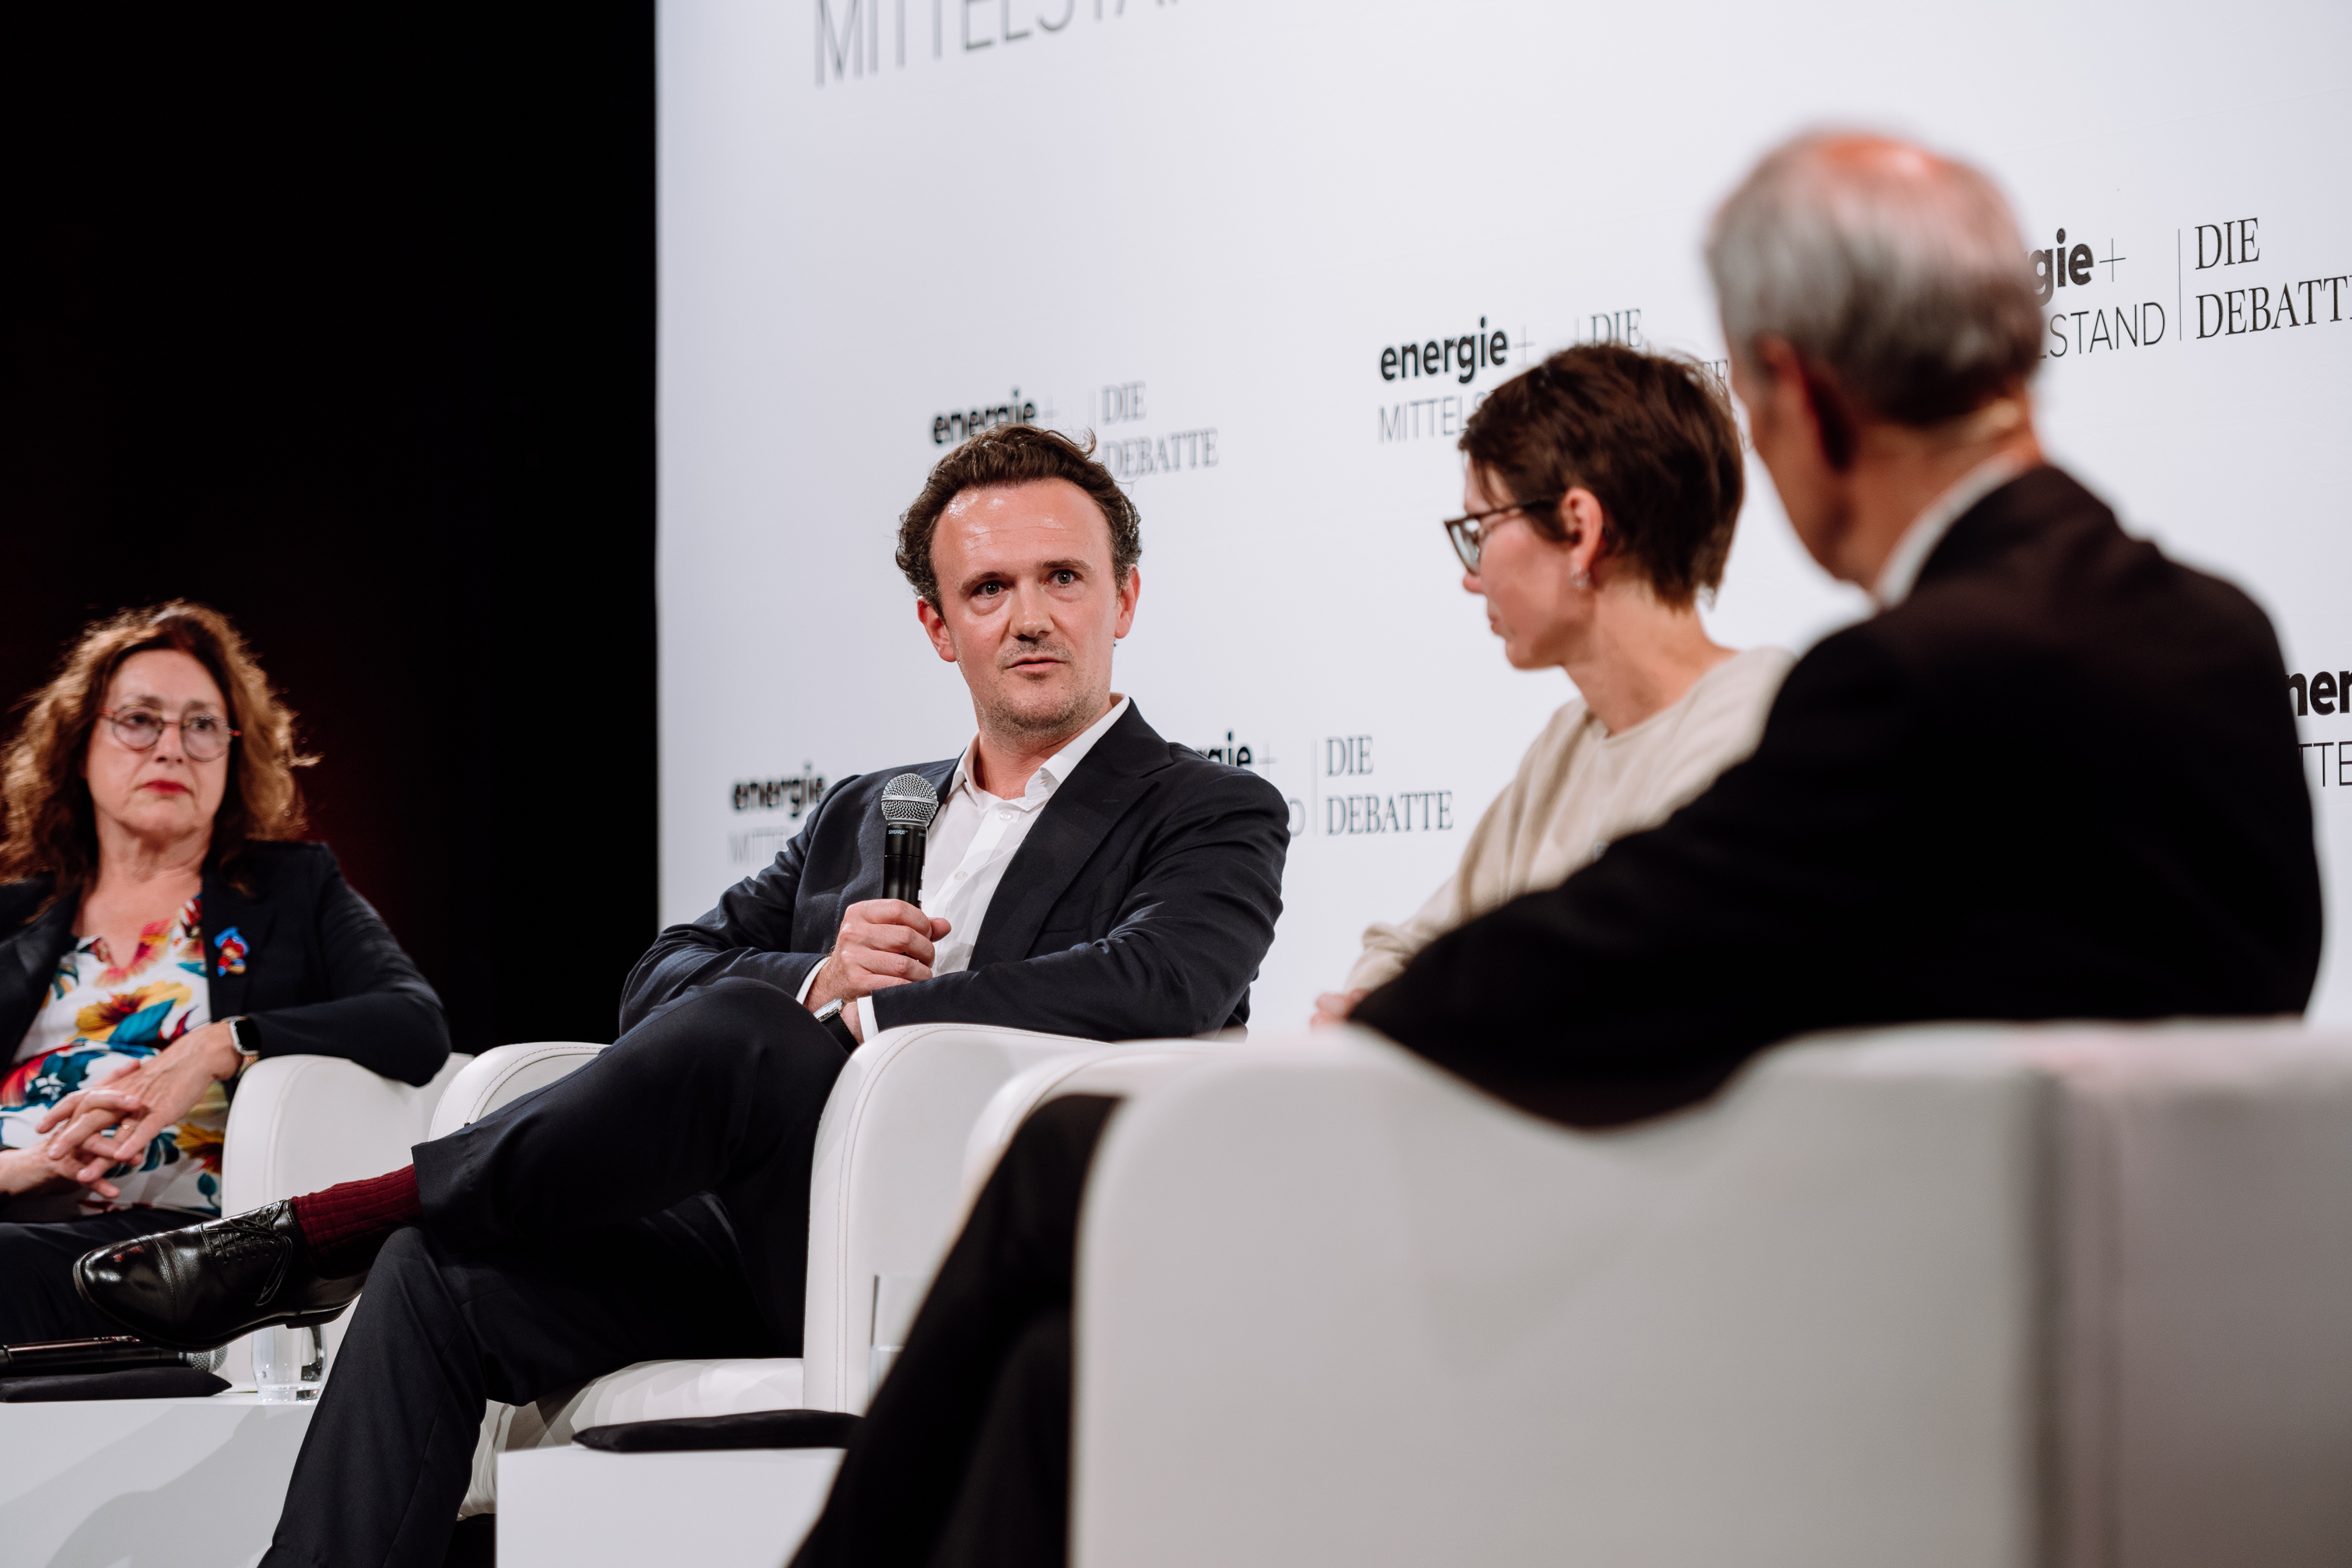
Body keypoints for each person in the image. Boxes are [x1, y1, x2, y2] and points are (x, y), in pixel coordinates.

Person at [784, 131, 2322, 1568]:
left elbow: (1616, 958)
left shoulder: (1913, 679)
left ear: (1801, 393)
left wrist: (1380, 1028)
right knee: (1061, 1370)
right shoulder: (2217, 635)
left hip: (1749, 1288)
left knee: (1069, 1163)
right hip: (2095, 1309)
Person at [75, 422, 1291, 1568]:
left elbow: (1158, 981)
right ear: (938, 624)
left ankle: (318, 1231)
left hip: (952, 1240)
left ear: (1126, 598)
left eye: (1063, 578)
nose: (1030, 616)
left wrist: (855, 1018)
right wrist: (817, 973)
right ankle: (364, 1262)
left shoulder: (1209, 809)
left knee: (760, 1027)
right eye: (989, 589)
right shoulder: (865, 810)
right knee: (436, 1273)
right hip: (754, 1239)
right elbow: (660, 979)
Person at [0, 601, 450, 1342]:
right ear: (80, 746)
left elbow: (414, 1024)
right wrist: (19, 1170)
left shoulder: (293, 889)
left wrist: (223, 1042)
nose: (172, 748)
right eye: (139, 720)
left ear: (233, 755)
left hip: (181, 1249)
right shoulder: (13, 918)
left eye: (202, 725)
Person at [1314, 342, 1791, 1027]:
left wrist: (1413, 1022)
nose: (1470, 575)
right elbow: (1404, 952)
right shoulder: (1568, 743)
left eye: (1480, 529)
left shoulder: (1763, 720)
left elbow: (1638, 994)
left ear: (1580, 529)